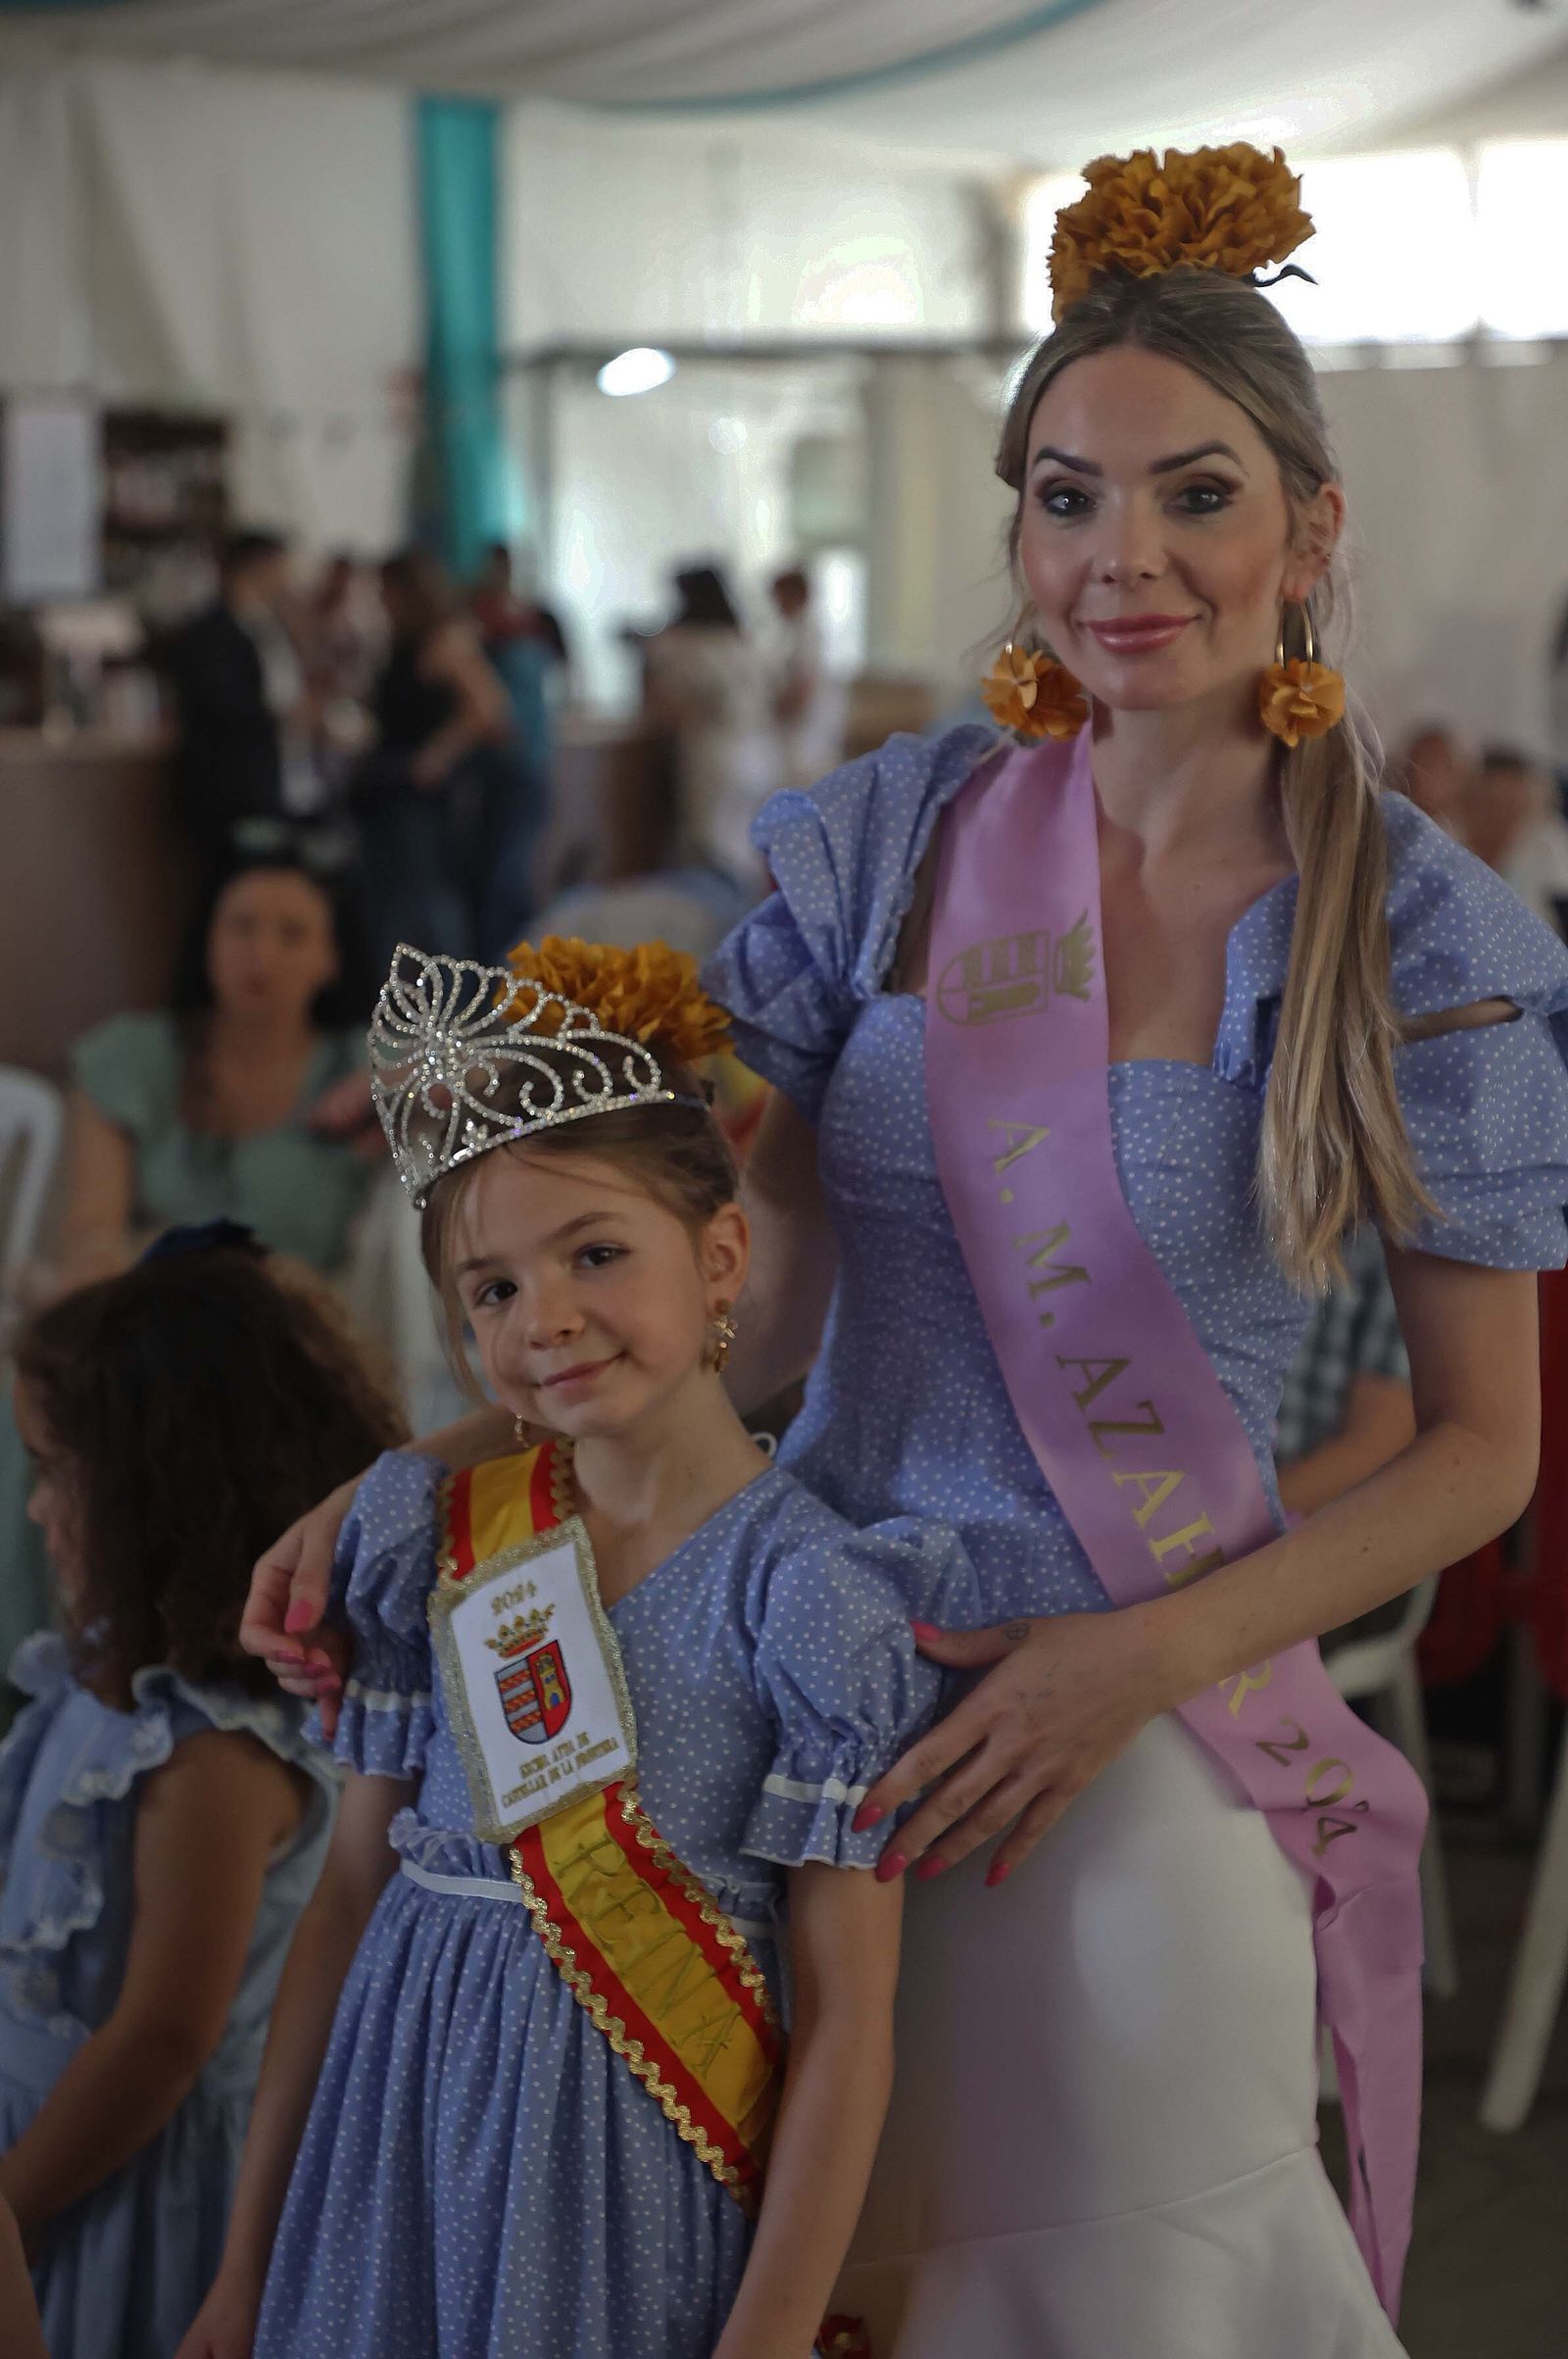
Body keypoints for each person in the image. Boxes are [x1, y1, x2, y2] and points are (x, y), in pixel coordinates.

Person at [236, 142, 1568, 2354]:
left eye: (1197, 495)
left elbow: (1478, 1451)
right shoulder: (903, 839)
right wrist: (430, 1476)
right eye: (1065, 496)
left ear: (1312, 527)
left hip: (1132, 1720)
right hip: (781, 1686)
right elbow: (738, 1301)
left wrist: (1123, 1667)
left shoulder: (1415, 935)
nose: (1122, 558)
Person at [180, 938, 973, 2359]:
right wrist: (244, 2271)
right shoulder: (435, 1539)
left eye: (596, 1253)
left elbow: (852, 2017)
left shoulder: (812, 1595)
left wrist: (768, 2337)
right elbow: (347, 1895)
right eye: (489, 1288)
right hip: (390, 2154)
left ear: (721, 1256)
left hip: (617, 2190)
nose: (542, 1318)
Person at [0, 1231, 406, 2358]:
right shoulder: (104, 1678)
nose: (37, 1511)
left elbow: (163, 2038)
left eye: (56, 1473)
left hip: (110, 2187)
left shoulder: (211, 1754)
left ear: (156, 1498)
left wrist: (13, 2210)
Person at [0, 850, 380, 1696]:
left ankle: (212, 1662)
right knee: (48, 1391)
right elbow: (92, 1231)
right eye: (241, 926)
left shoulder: (363, 1069)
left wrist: (394, 1082)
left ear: (331, 957)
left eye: (292, 933)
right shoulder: (134, 1056)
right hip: (150, 1311)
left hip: (287, 1337)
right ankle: (38, 1673)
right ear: (206, 938)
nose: (260, 952)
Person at [357, 549, 534, 971]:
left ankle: (454, 996)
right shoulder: (401, 642)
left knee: (429, 901)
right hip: (392, 787)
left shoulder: (442, 641)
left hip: (421, 796)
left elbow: (490, 709)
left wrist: (437, 755)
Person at [168, 531, 318, 876]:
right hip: (233, 793)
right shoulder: (211, 635)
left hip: (279, 786)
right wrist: (284, 716)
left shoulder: (268, 628)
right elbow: (223, 707)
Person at [642, 565, 781, 891]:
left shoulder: (684, 644)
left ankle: (718, 918)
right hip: (761, 752)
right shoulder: (744, 642)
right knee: (748, 851)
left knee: (711, 852)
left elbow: (667, 706)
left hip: (715, 754)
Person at [1464, 744, 1568, 936]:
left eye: (1510, 804)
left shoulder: (1550, 844)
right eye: (1492, 803)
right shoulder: (1451, 841)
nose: (1502, 815)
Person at [768, 565, 846, 792]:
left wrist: (778, 710)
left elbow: (805, 683)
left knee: (805, 780)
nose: (776, 604)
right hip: (801, 725)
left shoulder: (808, 632)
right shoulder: (791, 631)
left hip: (808, 724)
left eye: (780, 596)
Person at [1393, 721, 1469, 837]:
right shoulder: (1391, 827)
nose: (1419, 776)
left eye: (1431, 764)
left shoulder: (1467, 837)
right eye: (1414, 765)